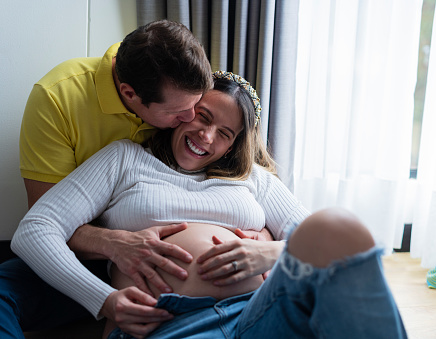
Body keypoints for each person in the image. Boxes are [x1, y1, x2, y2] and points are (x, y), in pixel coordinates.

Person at [12, 72, 407, 339]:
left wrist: (266, 252)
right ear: (183, 111)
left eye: (224, 133)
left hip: (256, 312)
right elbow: (34, 230)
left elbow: (320, 247)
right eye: (202, 117)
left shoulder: (253, 179)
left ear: (233, 144)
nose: (206, 135)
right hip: (170, 320)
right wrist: (103, 300)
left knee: (339, 228)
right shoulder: (124, 159)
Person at [0, 19, 215, 337]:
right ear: (130, 93)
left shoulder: (187, 86)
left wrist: (264, 243)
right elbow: (43, 222)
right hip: (92, 257)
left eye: (198, 106)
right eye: (178, 112)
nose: (193, 119)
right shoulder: (58, 97)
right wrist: (115, 246)